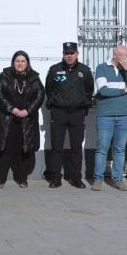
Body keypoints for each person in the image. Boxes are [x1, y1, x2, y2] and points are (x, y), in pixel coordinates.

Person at [0, 51, 43, 189]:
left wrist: (27, 111)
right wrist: (12, 109)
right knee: (4, 150)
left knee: (23, 150)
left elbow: (40, 96)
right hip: (6, 119)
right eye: (17, 61)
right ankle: (0, 179)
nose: (20, 64)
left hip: (26, 121)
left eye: (23, 61)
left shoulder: (34, 78)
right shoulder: (5, 76)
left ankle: (22, 178)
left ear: (27, 63)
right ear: (13, 62)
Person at [44, 42, 94, 189]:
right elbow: (49, 89)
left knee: (76, 147)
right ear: (63, 54)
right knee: (56, 147)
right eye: (67, 53)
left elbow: (89, 90)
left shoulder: (84, 71)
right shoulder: (55, 70)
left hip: (77, 113)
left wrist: (83, 105)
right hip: (59, 113)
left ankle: (76, 178)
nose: (69, 56)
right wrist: (54, 103)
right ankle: (55, 178)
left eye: (72, 53)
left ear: (77, 54)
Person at [91, 45, 127, 191]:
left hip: (124, 115)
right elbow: (103, 90)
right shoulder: (102, 68)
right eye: (125, 57)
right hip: (105, 115)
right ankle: (98, 179)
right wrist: (123, 90)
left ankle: (118, 179)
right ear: (116, 56)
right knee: (102, 148)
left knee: (119, 149)